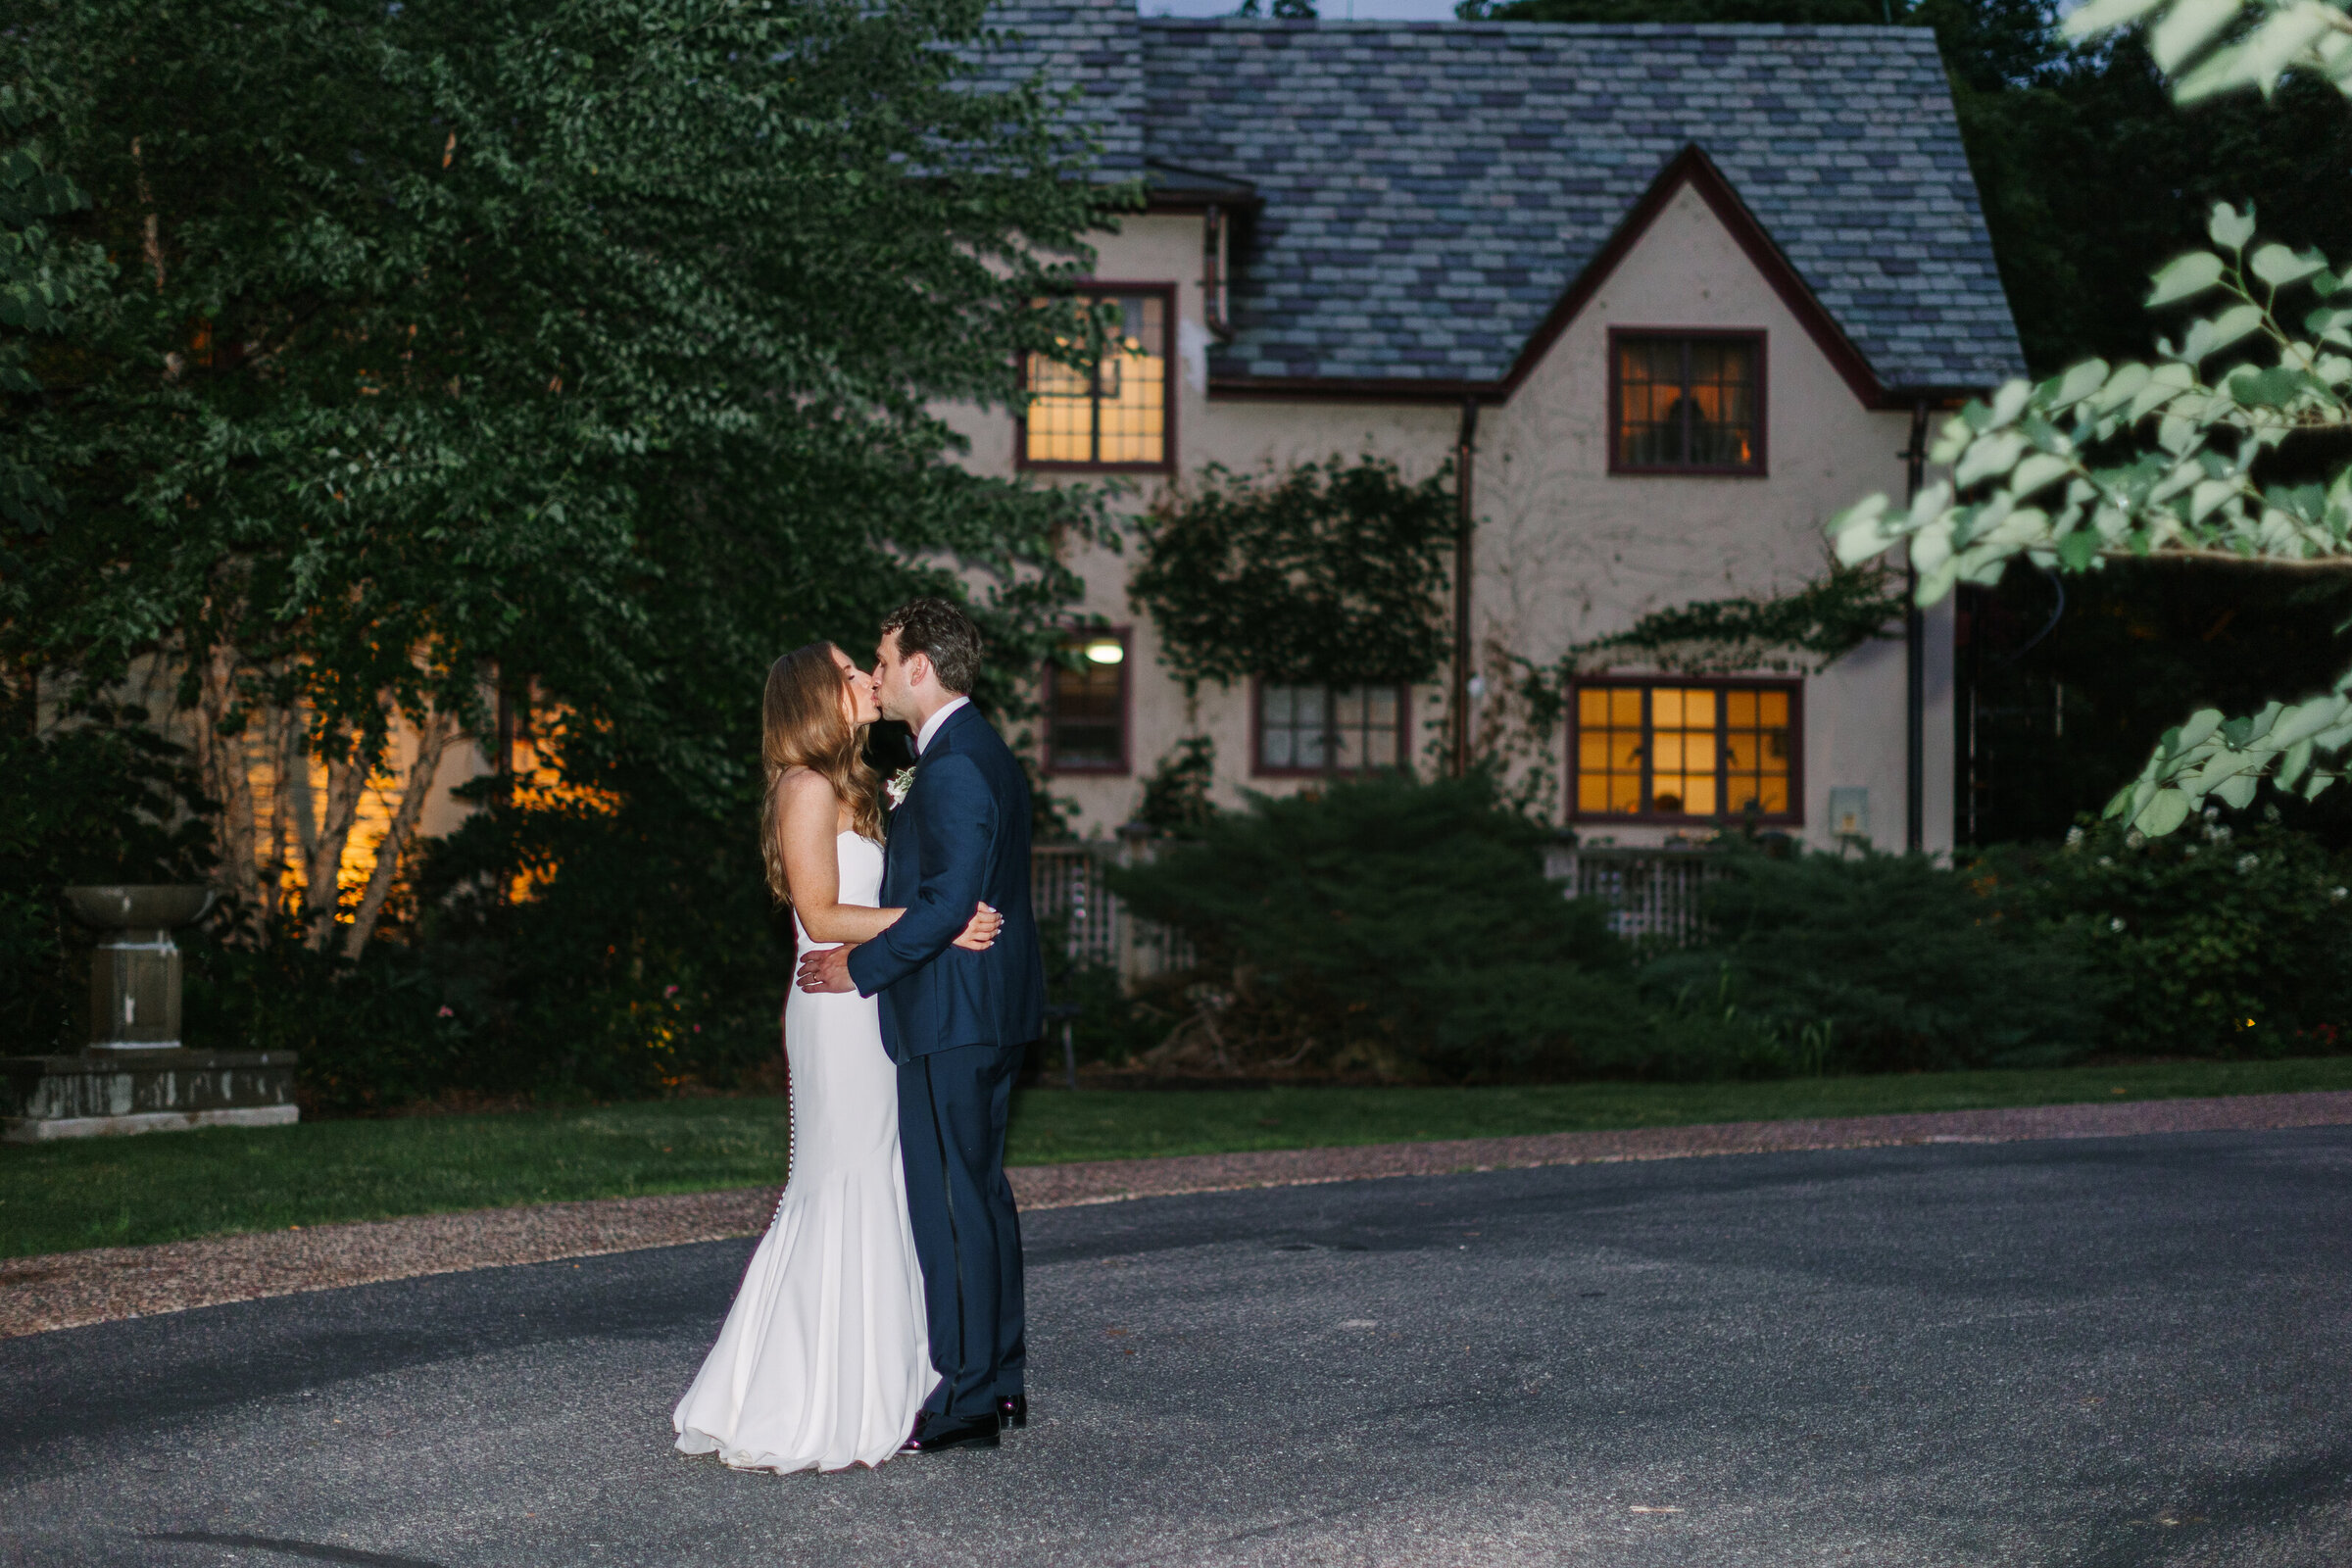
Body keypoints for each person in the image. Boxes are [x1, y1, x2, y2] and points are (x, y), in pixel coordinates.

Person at [671, 640, 1004, 1474]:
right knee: (845, 1178)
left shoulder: (852, 782)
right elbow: (821, 914)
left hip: (868, 997)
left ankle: (883, 1380)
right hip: (835, 1003)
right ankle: (807, 1396)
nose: (865, 678)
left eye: (866, 666)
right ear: (815, 696)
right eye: (849, 672)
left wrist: (917, 921)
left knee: (879, 1173)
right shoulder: (805, 786)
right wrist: (939, 921)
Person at [797, 597, 1046, 1455]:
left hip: (953, 1011)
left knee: (949, 1204)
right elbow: (948, 893)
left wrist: (856, 969)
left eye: (881, 655)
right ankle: (1001, 1379)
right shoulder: (965, 754)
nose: (872, 671)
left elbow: (946, 902)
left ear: (919, 667)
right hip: (973, 1007)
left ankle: (969, 1396)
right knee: (979, 1195)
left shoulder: (955, 766)